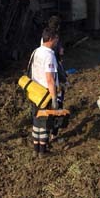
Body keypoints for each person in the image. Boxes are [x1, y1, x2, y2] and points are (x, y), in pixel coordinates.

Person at [28, 27, 60, 156]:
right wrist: (54, 98)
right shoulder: (49, 56)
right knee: (45, 123)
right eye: (56, 38)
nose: (57, 41)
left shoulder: (36, 51)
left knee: (36, 121)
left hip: (35, 92)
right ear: (51, 39)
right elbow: (50, 79)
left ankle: (36, 148)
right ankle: (43, 150)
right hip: (45, 94)